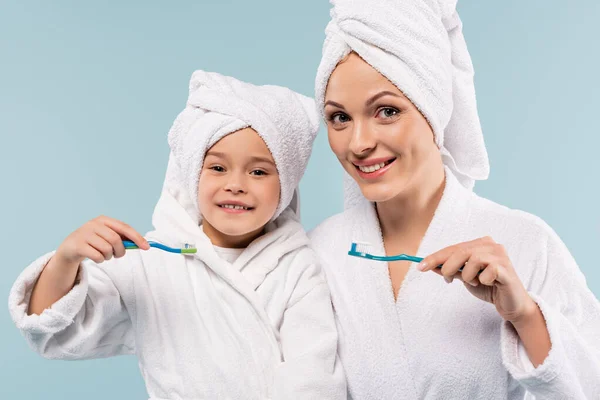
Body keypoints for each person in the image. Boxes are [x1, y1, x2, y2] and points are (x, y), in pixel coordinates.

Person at [309, 0, 600, 398]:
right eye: (339, 117)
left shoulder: (524, 243)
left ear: (433, 108)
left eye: (387, 111)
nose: (359, 143)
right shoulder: (320, 252)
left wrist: (526, 316)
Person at [9, 70, 346, 400]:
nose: (236, 184)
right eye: (216, 167)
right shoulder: (151, 261)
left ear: (285, 183)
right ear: (191, 173)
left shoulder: (298, 267)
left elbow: (314, 376)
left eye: (258, 171)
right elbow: (56, 334)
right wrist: (66, 260)